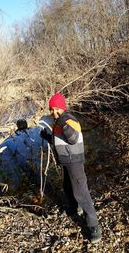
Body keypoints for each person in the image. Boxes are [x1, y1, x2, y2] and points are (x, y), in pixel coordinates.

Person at [40, 93, 101, 243]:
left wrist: (61, 122)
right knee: (67, 187)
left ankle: (94, 226)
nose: (54, 112)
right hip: (66, 161)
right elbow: (60, 140)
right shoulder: (59, 121)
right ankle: (75, 208)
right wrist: (47, 136)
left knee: (81, 192)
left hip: (75, 161)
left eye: (56, 109)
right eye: (51, 110)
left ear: (62, 107)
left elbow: (72, 138)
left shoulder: (69, 120)